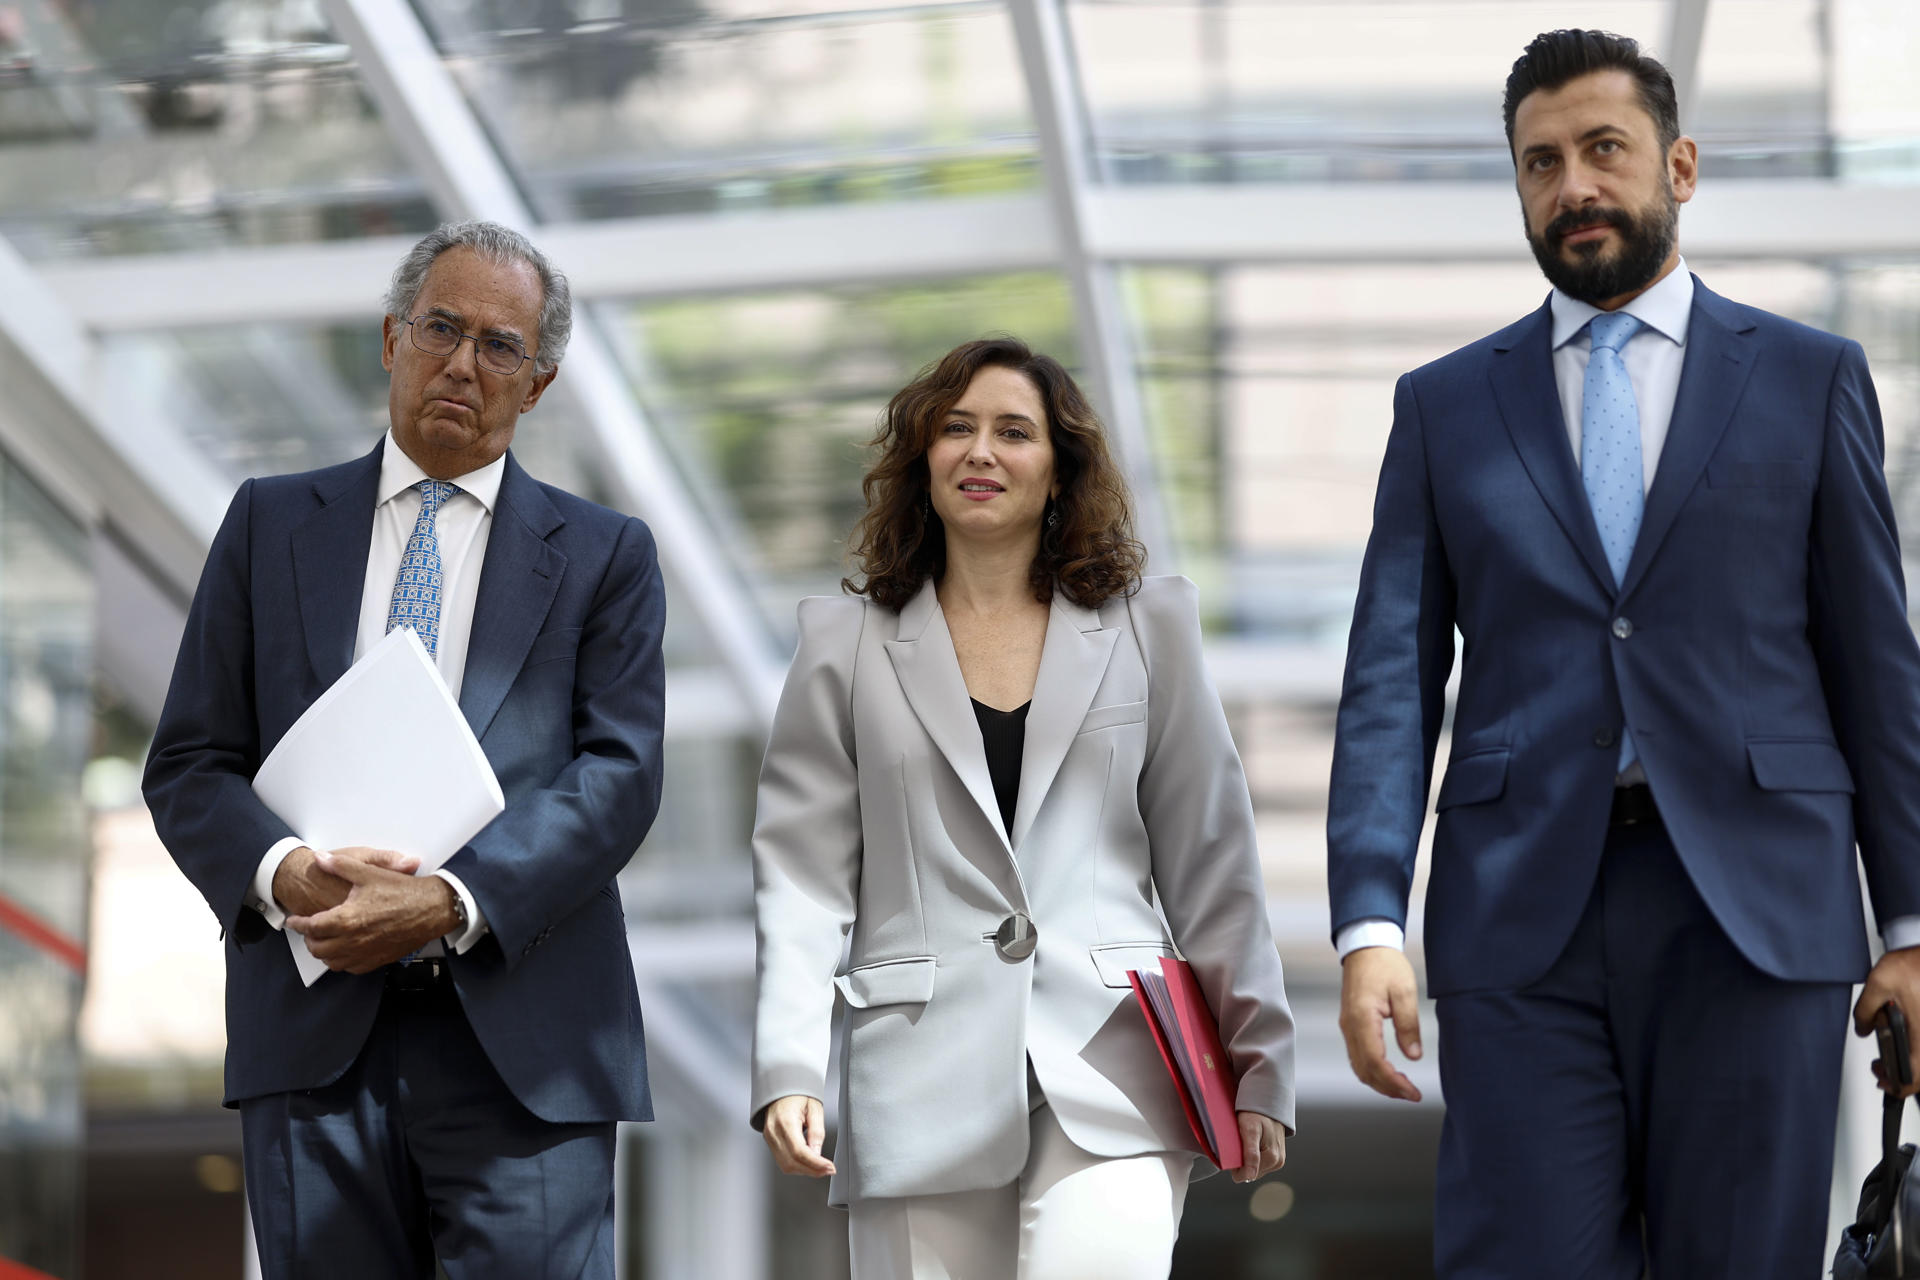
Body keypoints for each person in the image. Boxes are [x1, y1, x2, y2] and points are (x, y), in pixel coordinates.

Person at [1327, 27, 1920, 1279]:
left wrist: (1911, 922)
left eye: (1605, 150)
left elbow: (1878, 667)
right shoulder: (1442, 405)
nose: (1574, 187)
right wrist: (1369, 919)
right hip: (1520, 908)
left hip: (1758, 912)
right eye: (1541, 163)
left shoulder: (1812, 378)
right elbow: (1391, 677)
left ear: (1681, 166)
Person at [141, 221, 665, 1278]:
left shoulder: (608, 554)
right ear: (391, 339)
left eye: (500, 345)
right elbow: (190, 760)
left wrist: (450, 900)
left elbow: (619, 778)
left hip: (528, 1046)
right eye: (441, 327)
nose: (464, 362)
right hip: (312, 1032)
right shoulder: (265, 524)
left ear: (540, 383)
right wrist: (284, 874)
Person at [749, 336, 1295, 1278]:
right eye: (955, 429)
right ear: (921, 462)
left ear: (1059, 469)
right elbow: (801, 879)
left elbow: (1214, 858)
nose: (981, 451)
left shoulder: (1149, 628)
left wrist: (1261, 1058)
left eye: (1014, 431)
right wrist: (789, 1065)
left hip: (1116, 1068)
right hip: (915, 1074)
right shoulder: (840, 646)